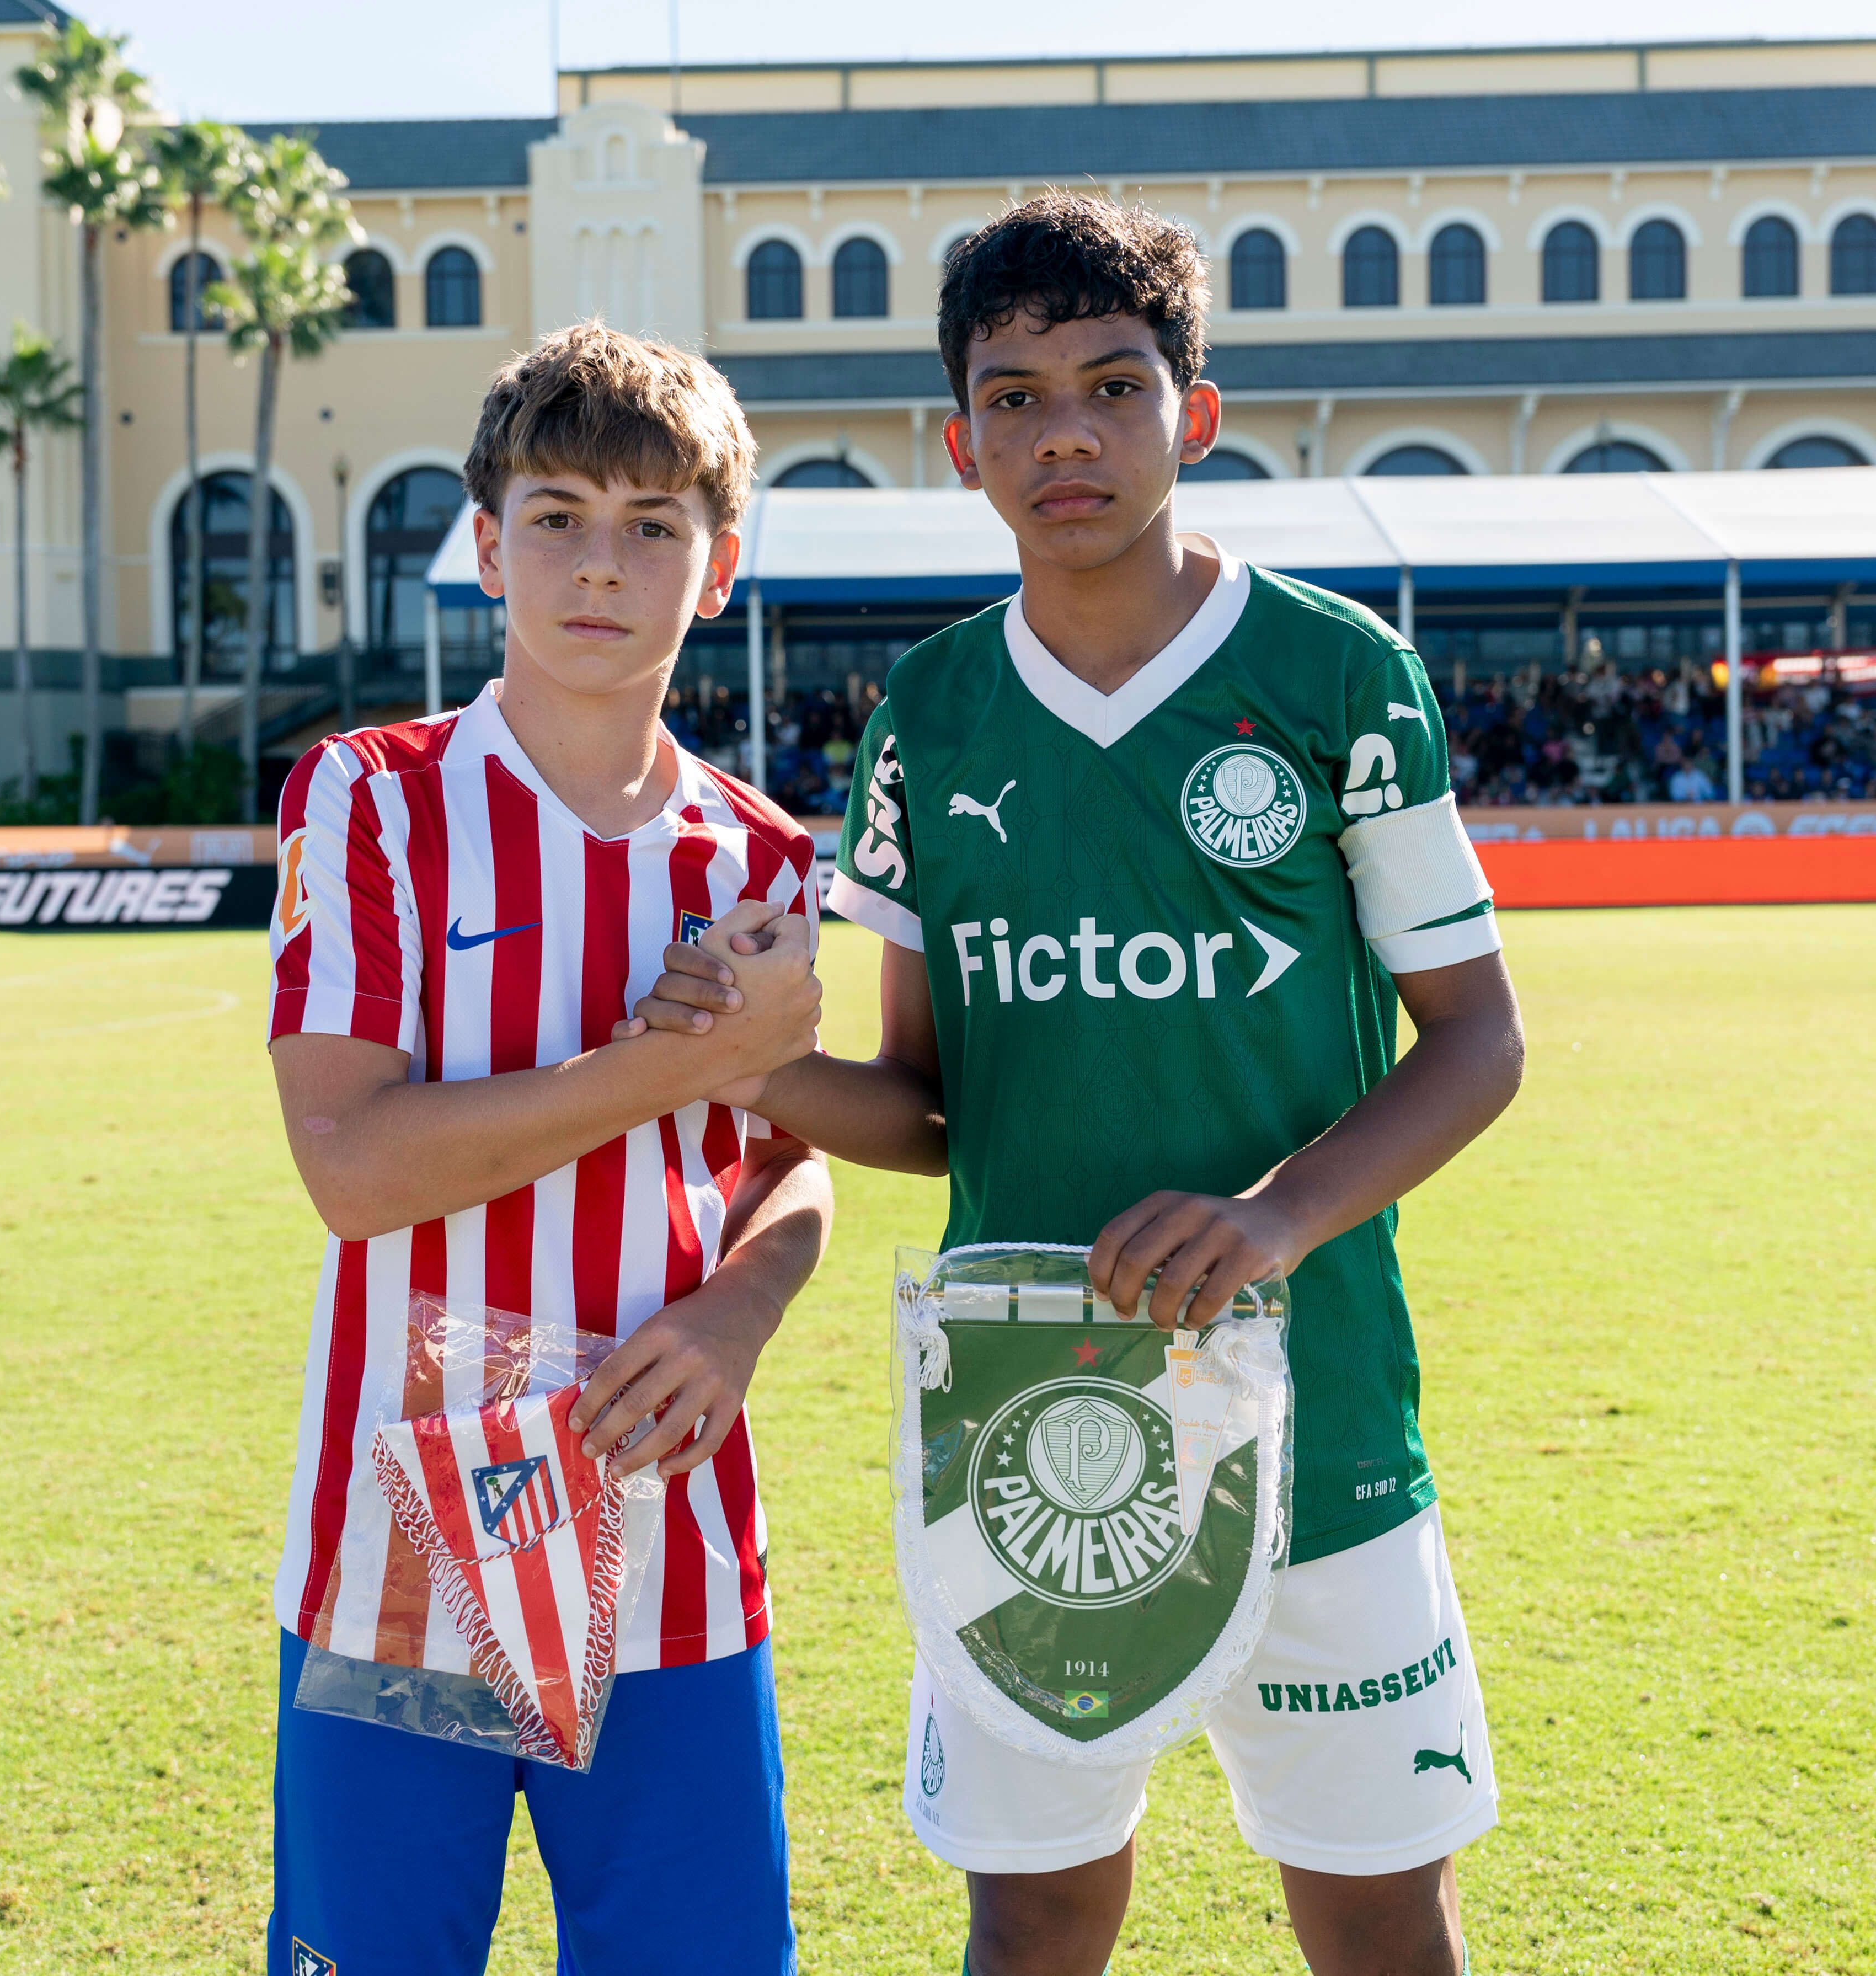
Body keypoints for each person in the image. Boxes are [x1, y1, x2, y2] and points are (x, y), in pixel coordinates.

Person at [635, 194, 1524, 1976]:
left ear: (1194, 414)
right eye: (1018, 396)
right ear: (963, 446)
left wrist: (1274, 1218)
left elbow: (1479, 1042)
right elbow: (926, 1106)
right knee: (1036, 1910)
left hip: (1322, 1416)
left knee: (1374, 1915)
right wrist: (753, 1069)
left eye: (1114, 386)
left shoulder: (1338, 674)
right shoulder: (937, 714)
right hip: (1024, 1419)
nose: (1068, 434)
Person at [260, 323, 831, 1976]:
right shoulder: (373, 799)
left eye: (655, 526)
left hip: (672, 1549)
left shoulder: (759, 851)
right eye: (560, 515)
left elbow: (779, 1155)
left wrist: (740, 1311)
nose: (604, 563)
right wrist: (664, 1064)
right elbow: (354, 1170)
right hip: (404, 1544)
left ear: (716, 569)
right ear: (490, 545)